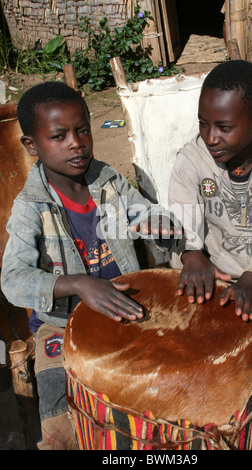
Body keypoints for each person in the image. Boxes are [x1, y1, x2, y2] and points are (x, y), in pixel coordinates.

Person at [0, 81, 175, 450]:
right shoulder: (30, 206)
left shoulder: (107, 181)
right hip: (61, 327)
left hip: (124, 307)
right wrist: (77, 284)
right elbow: (13, 279)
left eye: (82, 130)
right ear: (32, 146)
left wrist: (159, 224)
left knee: (160, 401)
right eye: (59, 136)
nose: (75, 143)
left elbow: (144, 210)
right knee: (61, 426)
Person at [168, 60, 252, 417]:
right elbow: (183, 213)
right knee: (202, 367)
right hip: (218, 278)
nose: (211, 137)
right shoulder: (192, 159)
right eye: (203, 123)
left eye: (224, 127)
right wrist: (192, 254)